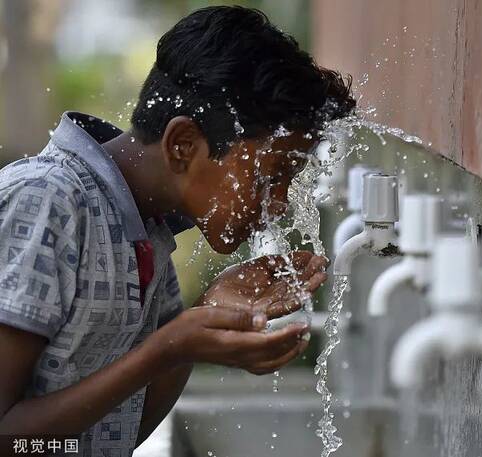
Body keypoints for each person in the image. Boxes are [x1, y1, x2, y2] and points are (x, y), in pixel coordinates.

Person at [0, 5, 355, 455]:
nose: (279, 203)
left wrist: (198, 327)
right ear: (183, 144)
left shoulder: (146, 237)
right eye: (269, 176)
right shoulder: (46, 201)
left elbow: (119, 432)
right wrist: (164, 349)